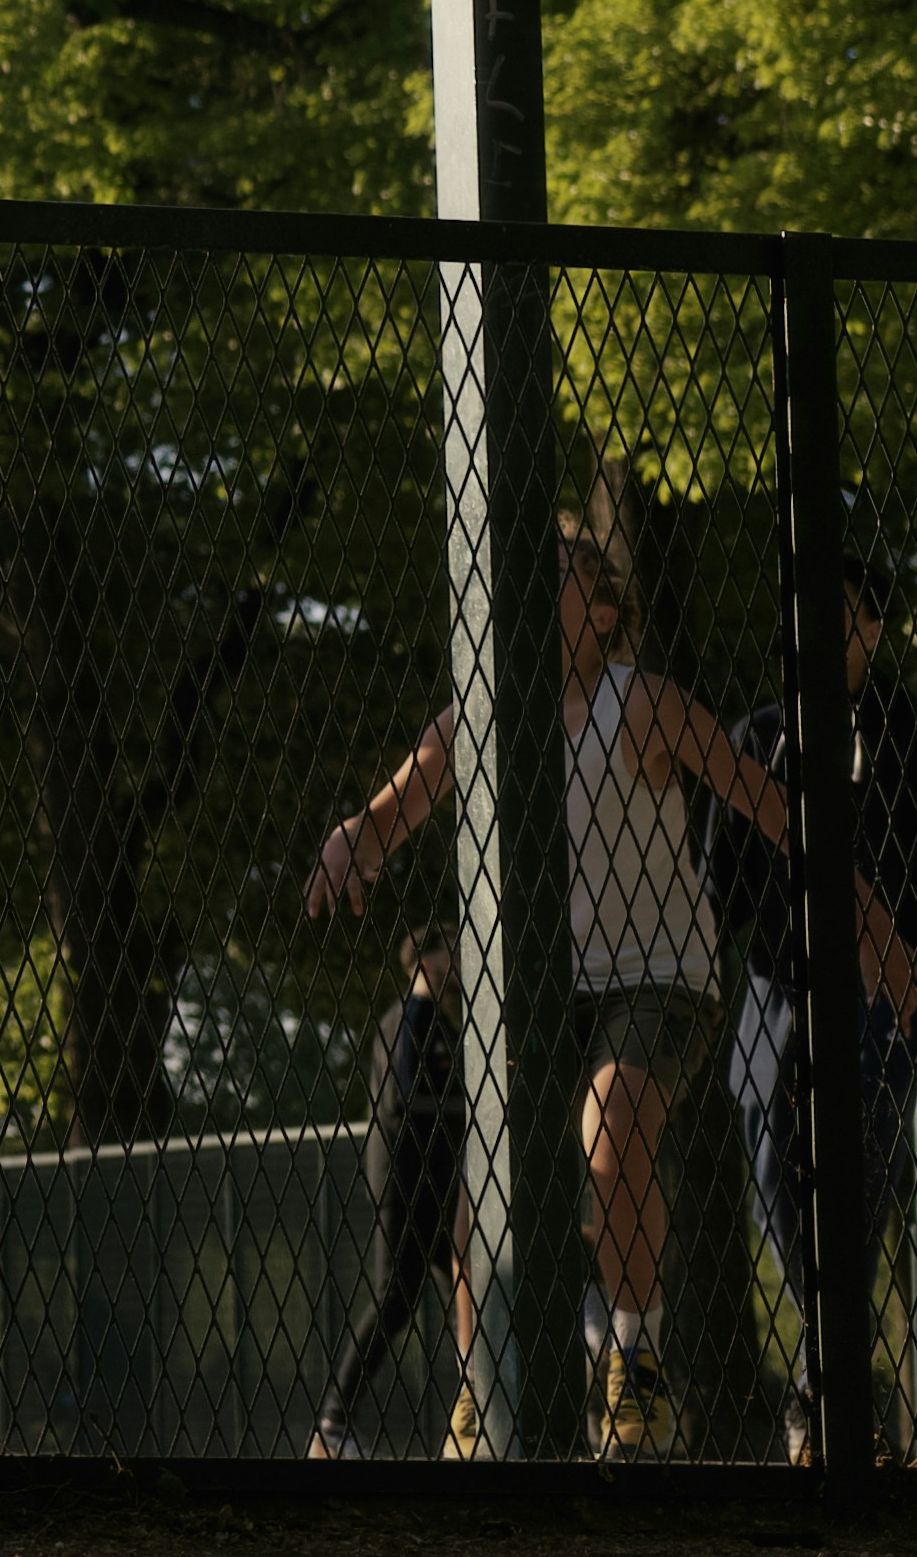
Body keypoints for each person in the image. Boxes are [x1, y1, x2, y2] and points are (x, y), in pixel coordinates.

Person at [308, 518, 815, 1458]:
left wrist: (850, 901)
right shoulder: (479, 715)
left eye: (555, 577)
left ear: (605, 611)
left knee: (613, 1124)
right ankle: (480, 1393)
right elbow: (398, 806)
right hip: (536, 986)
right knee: (477, 1196)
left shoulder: (645, 705)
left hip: (663, 971)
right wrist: (352, 843)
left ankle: (636, 1369)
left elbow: (762, 799)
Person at [698, 551, 917, 1465]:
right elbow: (719, 883)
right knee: (771, 1167)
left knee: (869, 1163)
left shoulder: (907, 731)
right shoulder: (756, 737)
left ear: (872, 629)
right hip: (775, 982)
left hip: (885, 982)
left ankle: (830, 1381)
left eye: (843, 617)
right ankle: (836, 1359)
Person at [306, 931, 466, 1461]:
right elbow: (403, 1099)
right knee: (397, 1297)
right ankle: (332, 1422)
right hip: (406, 1179)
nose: (459, 962)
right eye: (450, 953)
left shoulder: (441, 1019)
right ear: (424, 960)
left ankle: (481, 1407)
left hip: (438, 1182)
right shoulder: (409, 1019)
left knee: (473, 1292)